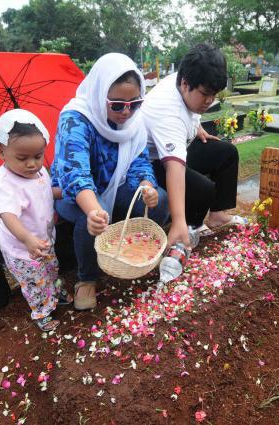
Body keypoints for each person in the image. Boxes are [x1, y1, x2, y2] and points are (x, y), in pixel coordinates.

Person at [52, 53, 169, 310]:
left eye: (134, 103)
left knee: (160, 199)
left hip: (113, 186)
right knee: (93, 216)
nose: (126, 112)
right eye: (117, 104)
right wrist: (94, 209)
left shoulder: (134, 122)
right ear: (99, 93)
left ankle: (137, 252)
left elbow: (139, 161)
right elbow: (75, 174)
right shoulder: (75, 118)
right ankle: (87, 278)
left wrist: (146, 186)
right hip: (69, 193)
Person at [141, 43, 247, 248]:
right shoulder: (168, 111)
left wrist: (197, 127)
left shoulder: (188, 83)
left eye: (214, 94)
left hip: (176, 149)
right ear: (184, 84)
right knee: (202, 189)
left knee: (226, 153)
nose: (209, 100)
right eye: (205, 94)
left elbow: (190, 112)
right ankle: (187, 229)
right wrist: (179, 220)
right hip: (150, 163)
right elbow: (174, 167)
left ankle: (218, 215)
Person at [0, 109, 70, 331]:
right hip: (22, 248)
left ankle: (54, 293)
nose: (32, 164)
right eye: (22, 158)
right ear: (0, 151)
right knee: (35, 281)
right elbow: (7, 215)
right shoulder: (4, 183)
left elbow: (43, 192)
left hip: (43, 239)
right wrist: (27, 240)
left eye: (38, 156)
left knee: (52, 269)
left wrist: (63, 191)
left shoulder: (39, 172)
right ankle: (42, 311)